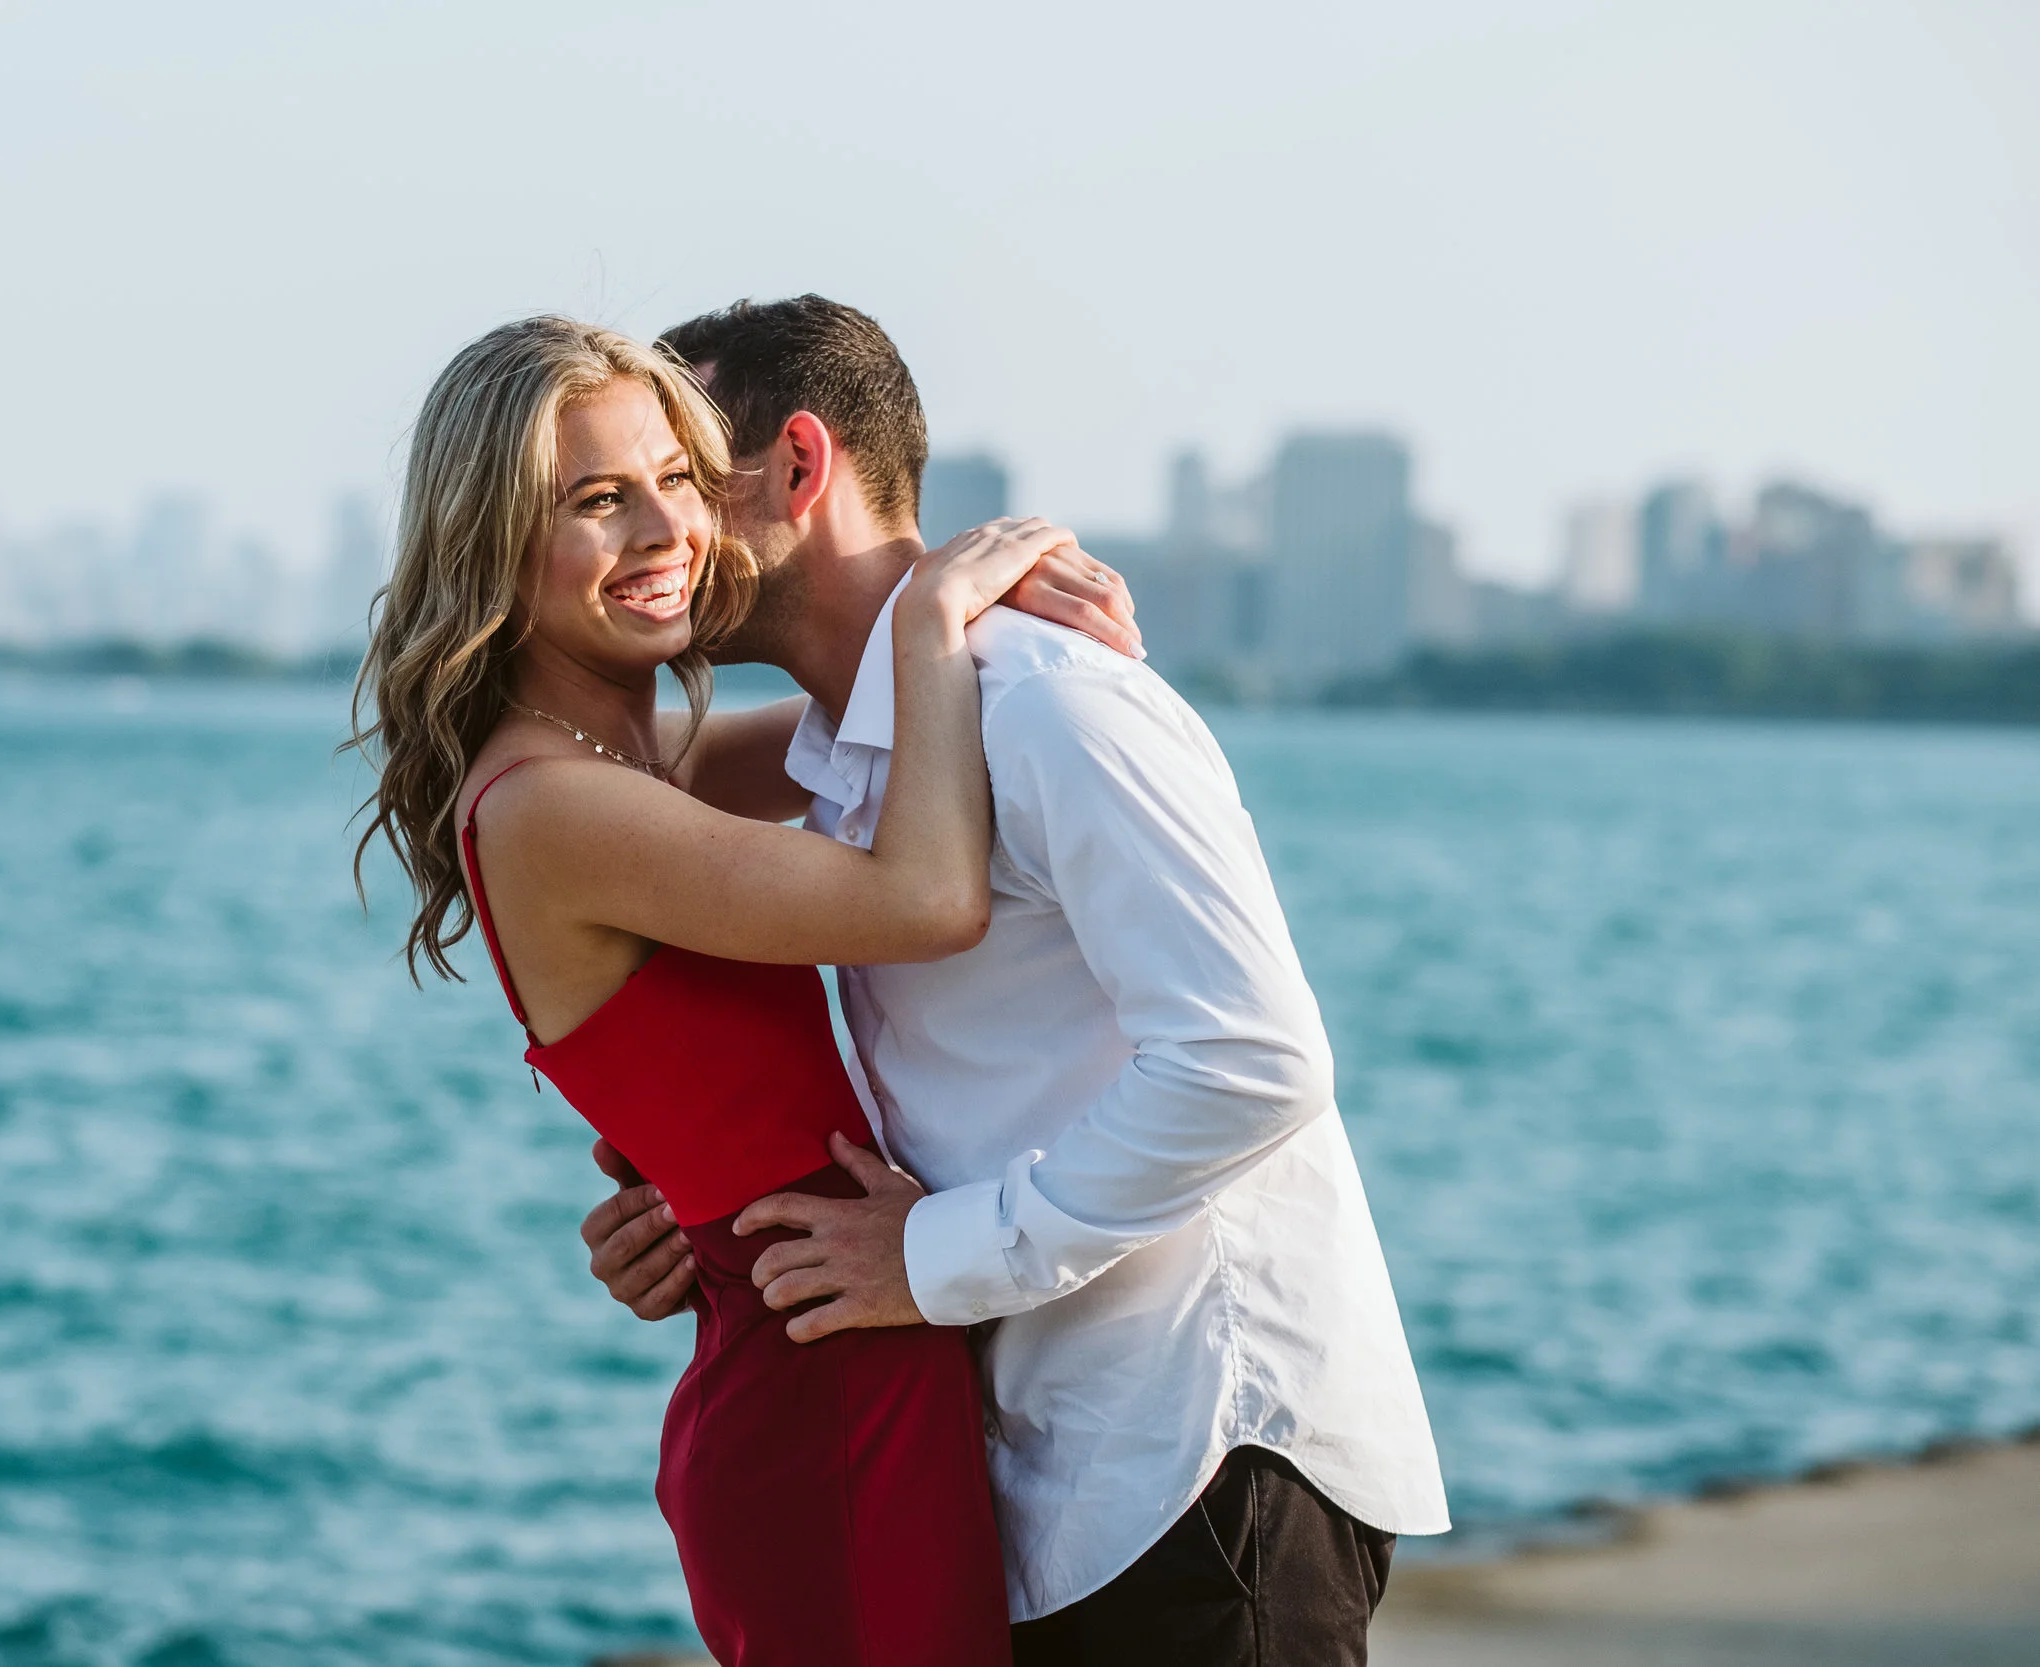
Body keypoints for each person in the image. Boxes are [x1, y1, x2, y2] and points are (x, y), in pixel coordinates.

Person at [582, 295, 1452, 1666]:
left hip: (1202, 1461)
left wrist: (925, 1259)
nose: (660, 534)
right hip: (1053, 1474)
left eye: (686, 478)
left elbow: (1253, 1060)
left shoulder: (1049, 701)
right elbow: (590, 792)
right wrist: (695, 1226)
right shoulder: (847, 750)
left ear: (799, 468)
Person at [350, 316, 1142, 1667]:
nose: (666, 528)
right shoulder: (554, 802)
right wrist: (938, 614)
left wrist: (1045, 645)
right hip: (819, 1388)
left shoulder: (630, 762)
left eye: (679, 478)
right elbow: (927, 899)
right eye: (599, 500)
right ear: (488, 540)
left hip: (847, 1335)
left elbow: (864, 731)